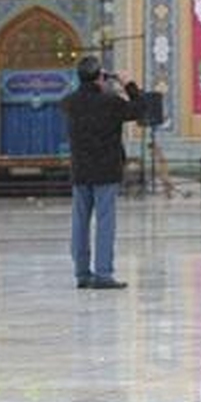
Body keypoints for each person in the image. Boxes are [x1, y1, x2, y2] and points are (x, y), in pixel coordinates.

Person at [61, 56, 148, 289]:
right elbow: (141, 109)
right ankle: (103, 273)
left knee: (79, 222)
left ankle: (81, 273)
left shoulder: (69, 102)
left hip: (80, 171)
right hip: (106, 171)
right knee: (105, 222)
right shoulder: (111, 102)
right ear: (100, 77)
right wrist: (128, 83)